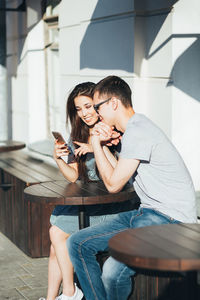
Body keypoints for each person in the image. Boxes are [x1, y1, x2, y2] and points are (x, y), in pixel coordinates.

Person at [67, 75, 197, 300]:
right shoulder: (135, 129)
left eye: (98, 107)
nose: (97, 114)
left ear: (113, 104)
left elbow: (113, 185)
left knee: (111, 272)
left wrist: (96, 143)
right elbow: (122, 176)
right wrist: (106, 147)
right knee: (76, 242)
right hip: (148, 212)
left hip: (172, 221)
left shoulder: (139, 131)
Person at [40, 81, 135, 300]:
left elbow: (123, 179)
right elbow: (74, 176)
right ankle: (52, 298)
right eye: (78, 108)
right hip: (93, 204)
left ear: (99, 105)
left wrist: (99, 145)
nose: (84, 113)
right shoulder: (79, 132)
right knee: (56, 240)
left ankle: (71, 292)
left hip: (115, 205)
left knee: (56, 233)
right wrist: (58, 158)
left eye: (88, 106)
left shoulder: (111, 131)